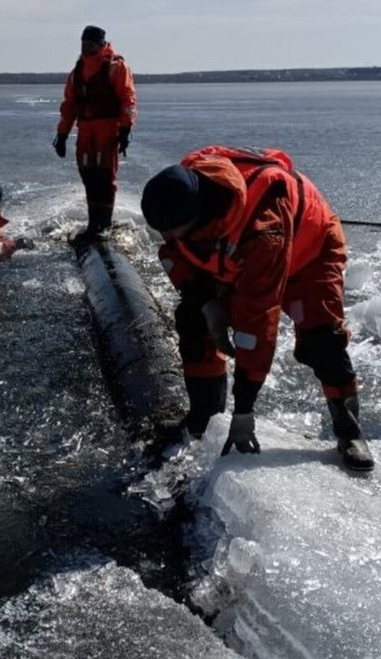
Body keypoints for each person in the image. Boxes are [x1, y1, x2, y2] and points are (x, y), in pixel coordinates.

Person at [140, 145, 374, 471]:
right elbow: (176, 258)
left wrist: (244, 411)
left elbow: (258, 321)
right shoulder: (187, 196)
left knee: (322, 339)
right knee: (193, 319)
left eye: (172, 230)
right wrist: (209, 304)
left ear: (195, 219)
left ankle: (349, 429)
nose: (166, 237)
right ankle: (203, 415)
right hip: (239, 257)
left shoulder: (264, 225)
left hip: (310, 255)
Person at [53, 25, 137, 239]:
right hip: (85, 130)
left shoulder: (116, 67)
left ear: (100, 44)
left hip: (107, 128)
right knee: (88, 174)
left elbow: (127, 98)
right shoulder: (78, 72)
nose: (85, 47)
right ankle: (94, 223)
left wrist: (126, 129)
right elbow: (69, 105)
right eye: (83, 43)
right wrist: (62, 135)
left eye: (89, 43)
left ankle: (104, 225)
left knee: (104, 177)